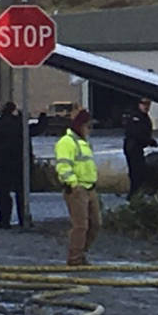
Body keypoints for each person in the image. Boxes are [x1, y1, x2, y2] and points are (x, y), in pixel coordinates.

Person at [54, 108, 101, 266]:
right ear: (80, 125)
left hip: (89, 188)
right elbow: (63, 166)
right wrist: (74, 184)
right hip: (77, 189)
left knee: (95, 224)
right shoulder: (66, 142)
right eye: (88, 126)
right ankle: (75, 258)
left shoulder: (84, 143)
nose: (89, 130)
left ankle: (81, 253)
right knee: (81, 226)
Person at [0, 101, 29, 228]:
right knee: (21, 193)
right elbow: (33, 131)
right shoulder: (18, 125)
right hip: (18, 163)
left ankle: (4, 221)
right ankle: (23, 219)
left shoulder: (0, 124)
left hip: (2, 165)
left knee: (3, 193)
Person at [123, 104, 156, 196]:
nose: (146, 106)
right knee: (136, 173)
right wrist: (149, 141)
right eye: (144, 104)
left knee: (139, 172)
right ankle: (134, 195)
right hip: (133, 147)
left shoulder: (144, 117)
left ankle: (136, 194)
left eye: (148, 104)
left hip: (137, 147)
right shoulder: (136, 117)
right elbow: (136, 133)